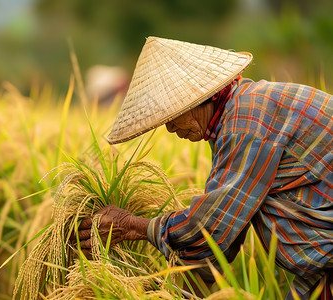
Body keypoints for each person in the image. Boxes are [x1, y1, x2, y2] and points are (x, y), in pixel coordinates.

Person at [75, 37, 332, 299]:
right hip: (318, 276)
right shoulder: (233, 120)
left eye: (173, 114)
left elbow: (210, 226)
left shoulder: (248, 118)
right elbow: (220, 239)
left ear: (202, 98)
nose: (170, 128)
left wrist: (132, 226)